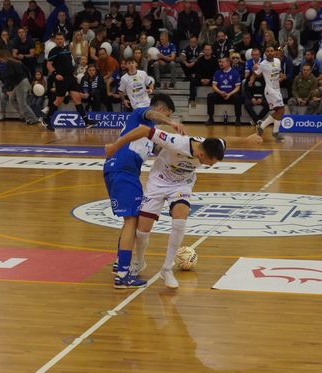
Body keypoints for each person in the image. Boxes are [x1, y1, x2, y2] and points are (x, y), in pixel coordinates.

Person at [103, 122, 262, 289]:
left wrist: (247, 139)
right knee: (142, 230)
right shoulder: (176, 142)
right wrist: (115, 146)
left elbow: (226, 140)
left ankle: (167, 268)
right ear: (200, 154)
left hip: (181, 185)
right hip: (158, 182)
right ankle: (139, 261)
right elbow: (143, 129)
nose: (211, 165)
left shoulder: (211, 145)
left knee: (180, 218)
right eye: (210, 162)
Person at [101, 94, 185, 288]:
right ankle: (123, 275)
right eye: (166, 114)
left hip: (123, 171)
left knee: (131, 219)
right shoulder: (141, 114)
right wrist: (171, 122)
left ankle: (121, 263)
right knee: (132, 221)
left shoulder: (149, 134)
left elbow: (161, 149)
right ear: (162, 110)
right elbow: (151, 113)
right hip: (123, 171)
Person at [45, 32, 97, 130]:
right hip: (61, 79)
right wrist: (55, 74)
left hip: (70, 78)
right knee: (58, 100)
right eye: (58, 39)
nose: (60, 40)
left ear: (64, 40)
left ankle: (86, 121)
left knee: (77, 98)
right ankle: (47, 119)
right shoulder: (53, 51)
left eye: (61, 39)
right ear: (55, 40)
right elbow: (49, 65)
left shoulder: (67, 49)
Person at [250, 46, 285, 141]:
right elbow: (255, 74)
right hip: (270, 90)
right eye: (268, 51)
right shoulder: (263, 64)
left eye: (271, 51)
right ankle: (275, 132)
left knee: (279, 111)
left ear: (274, 52)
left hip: (277, 89)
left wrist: (281, 77)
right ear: (265, 53)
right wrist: (251, 80)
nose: (270, 53)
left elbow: (278, 73)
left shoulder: (278, 61)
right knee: (281, 110)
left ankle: (262, 126)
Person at [207, 56, 242, 125]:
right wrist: (220, 92)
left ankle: (238, 119)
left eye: (222, 62)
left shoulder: (235, 73)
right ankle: (210, 118)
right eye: (220, 62)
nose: (220, 64)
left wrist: (229, 94)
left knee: (238, 97)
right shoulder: (217, 72)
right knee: (210, 96)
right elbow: (214, 86)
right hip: (220, 95)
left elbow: (238, 87)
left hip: (230, 95)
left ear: (228, 63)